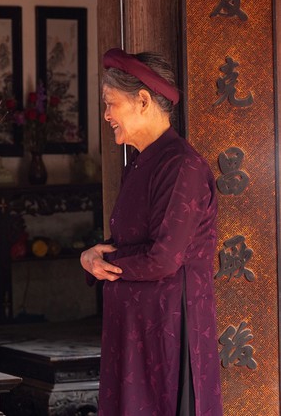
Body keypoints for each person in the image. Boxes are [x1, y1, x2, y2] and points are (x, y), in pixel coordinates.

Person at [80, 48, 222, 415]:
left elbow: (163, 259)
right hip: (137, 326)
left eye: (110, 103)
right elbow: (134, 241)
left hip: (168, 328)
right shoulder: (143, 162)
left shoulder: (181, 165)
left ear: (143, 100)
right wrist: (95, 254)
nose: (106, 114)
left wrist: (103, 262)